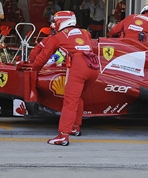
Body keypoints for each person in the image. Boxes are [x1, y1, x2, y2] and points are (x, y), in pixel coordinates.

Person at [30, 11, 99, 146]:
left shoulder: (58, 37)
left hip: (78, 66)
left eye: (55, 21)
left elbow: (42, 57)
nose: (53, 24)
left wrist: (33, 69)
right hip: (93, 66)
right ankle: (75, 127)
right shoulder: (85, 32)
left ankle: (63, 135)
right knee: (77, 97)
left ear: (62, 22)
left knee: (70, 101)